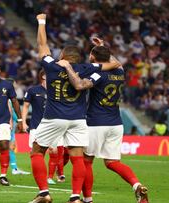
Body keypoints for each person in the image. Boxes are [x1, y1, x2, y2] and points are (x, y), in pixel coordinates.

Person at [29, 14, 121, 203]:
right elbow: (116, 63)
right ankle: (75, 197)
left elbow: (42, 45)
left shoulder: (53, 66)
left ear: (62, 56)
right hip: (78, 119)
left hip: (54, 117)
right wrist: (102, 48)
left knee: (37, 151)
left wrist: (41, 22)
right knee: (78, 158)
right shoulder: (88, 68)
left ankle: (44, 193)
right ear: (79, 58)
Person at [59, 37, 149, 203]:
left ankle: (87, 199)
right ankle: (136, 185)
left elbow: (81, 85)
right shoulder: (120, 72)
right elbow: (116, 61)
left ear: (93, 57)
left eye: (91, 55)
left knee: (86, 161)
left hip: (96, 122)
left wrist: (70, 72)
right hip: (116, 123)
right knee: (112, 162)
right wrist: (102, 46)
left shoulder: (98, 73)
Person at [22, 69, 64, 184]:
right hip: (37, 125)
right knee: (37, 152)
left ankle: (50, 177)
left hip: (54, 125)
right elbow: (25, 106)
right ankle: (40, 175)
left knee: (54, 150)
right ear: (43, 77)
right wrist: (24, 122)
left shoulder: (58, 90)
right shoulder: (32, 90)